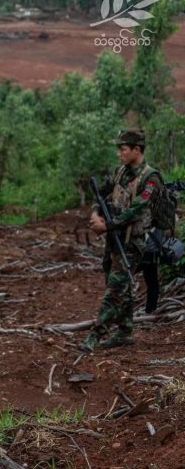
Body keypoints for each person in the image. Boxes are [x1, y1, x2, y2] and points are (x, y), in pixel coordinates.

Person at [82, 130, 163, 352]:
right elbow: (101, 194)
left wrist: (105, 225)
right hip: (114, 239)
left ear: (136, 150)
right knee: (119, 285)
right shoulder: (120, 173)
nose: (119, 154)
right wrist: (95, 213)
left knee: (114, 291)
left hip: (132, 243)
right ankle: (125, 332)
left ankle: (94, 337)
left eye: (123, 149)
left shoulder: (151, 178)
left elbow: (137, 209)